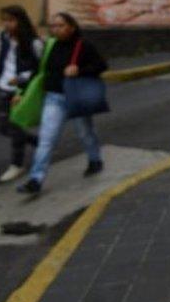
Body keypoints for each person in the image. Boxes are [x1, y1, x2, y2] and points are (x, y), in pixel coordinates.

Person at [18, 12, 108, 194]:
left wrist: (80, 70)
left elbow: (101, 66)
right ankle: (36, 180)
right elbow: (39, 71)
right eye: (53, 26)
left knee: (85, 133)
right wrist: (22, 90)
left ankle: (95, 159)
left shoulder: (83, 45)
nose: (55, 29)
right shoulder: (50, 46)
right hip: (54, 98)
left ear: (72, 27)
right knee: (46, 139)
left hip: (76, 97)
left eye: (60, 25)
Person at [0, 5, 43, 182]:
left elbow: (38, 70)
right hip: (3, 86)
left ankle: (17, 164)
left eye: (11, 20)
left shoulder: (34, 43)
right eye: (4, 20)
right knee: (3, 127)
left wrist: (21, 83)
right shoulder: (3, 37)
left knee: (15, 126)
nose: (7, 24)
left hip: (20, 89)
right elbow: (1, 59)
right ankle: (37, 142)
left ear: (21, 21)